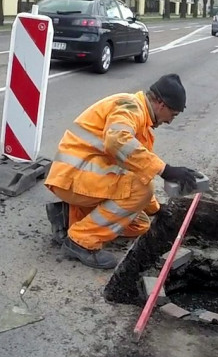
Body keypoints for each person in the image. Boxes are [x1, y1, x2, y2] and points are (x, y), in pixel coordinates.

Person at [44, 74, 199, 270]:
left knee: (139, 224)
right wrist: (165, 170)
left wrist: (156, 210)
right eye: (173, 114)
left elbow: (135, 171)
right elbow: (117, 140)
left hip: (84, 178)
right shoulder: (130, 107)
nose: (170, 121)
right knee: (141, 191)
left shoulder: (141, 120)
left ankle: (67, 215)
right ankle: (80, 241)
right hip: (72, 177)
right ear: (161, 104)